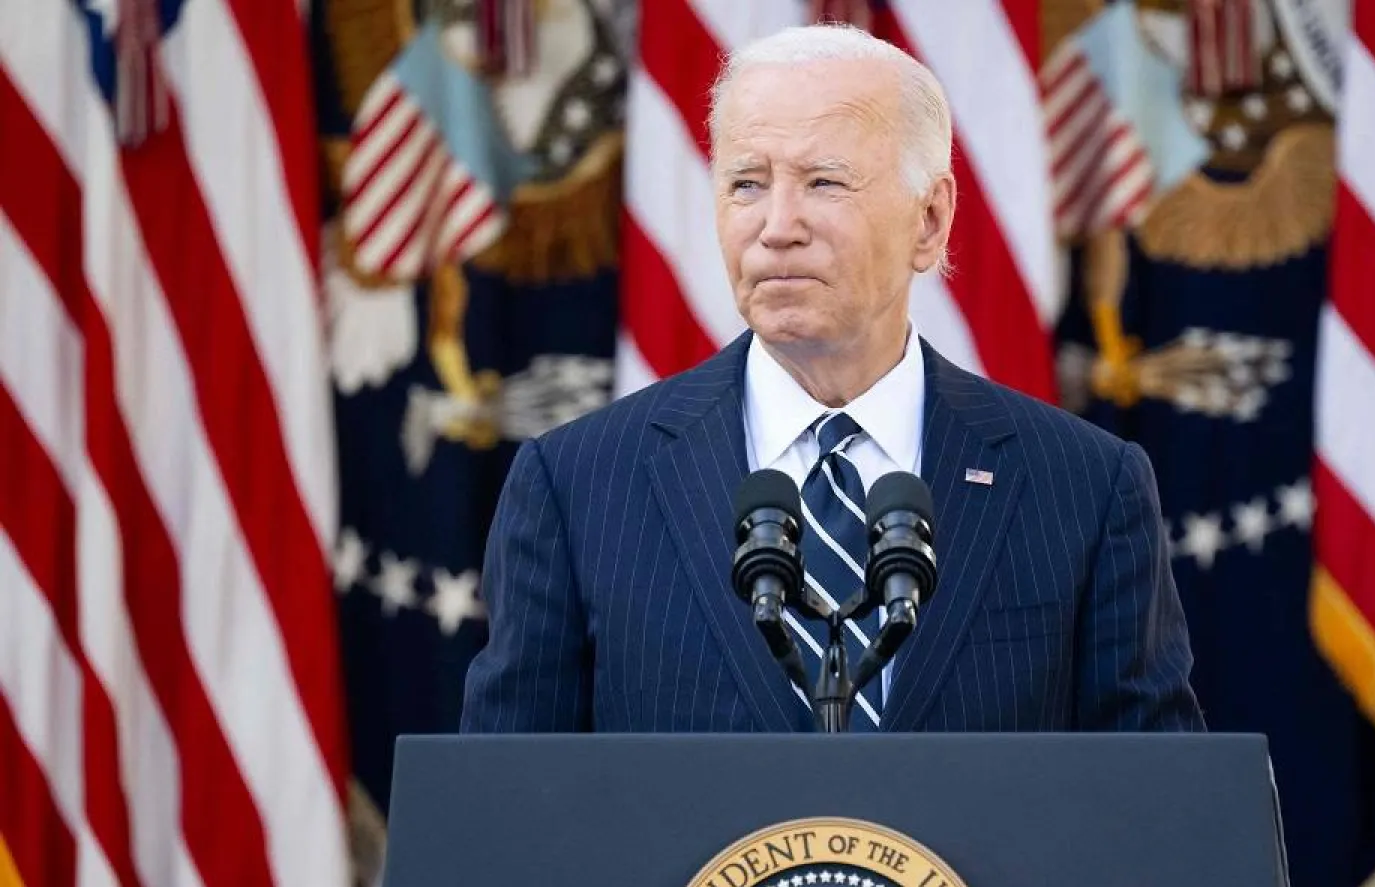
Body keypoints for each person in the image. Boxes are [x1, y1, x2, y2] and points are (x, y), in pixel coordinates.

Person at [460, 23, 1204, 734]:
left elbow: (1151, 811)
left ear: (931, 221)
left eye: (824, 181)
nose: (778, 225)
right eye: (747, 183)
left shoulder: (1084, 487)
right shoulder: (577, 486)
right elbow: (508, 812)